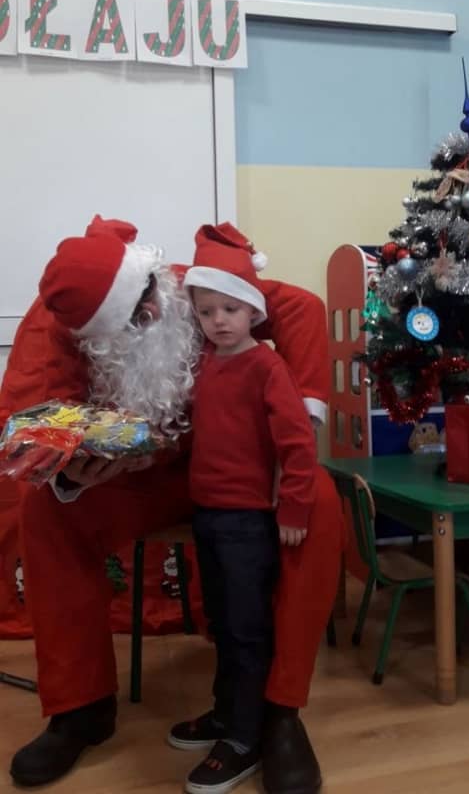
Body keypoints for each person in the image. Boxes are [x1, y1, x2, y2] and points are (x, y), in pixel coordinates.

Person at [0, 216, 344, 794]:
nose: (155, 312)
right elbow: (32, 416)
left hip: (235, 470)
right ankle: (80, 708)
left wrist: (301, 421)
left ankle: (279, 711)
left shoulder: (193, 289)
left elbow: (300, 307)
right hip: (141, 478)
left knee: (320, 502)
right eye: (134, 318)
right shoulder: (54, 325)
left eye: (149, 295)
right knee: (48, 513)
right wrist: (71, 469)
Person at [179, 226, 319, 794]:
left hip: (246, 522)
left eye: (230, 309)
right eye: (207, 311)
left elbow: (298, 444)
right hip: (207, 515)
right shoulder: (204, 365)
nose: (219, 321)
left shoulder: (267, 367)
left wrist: (295, 509)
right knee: (221, 623)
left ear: (253, 309)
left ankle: (244, 737)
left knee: (246, 629)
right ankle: (225, 714)